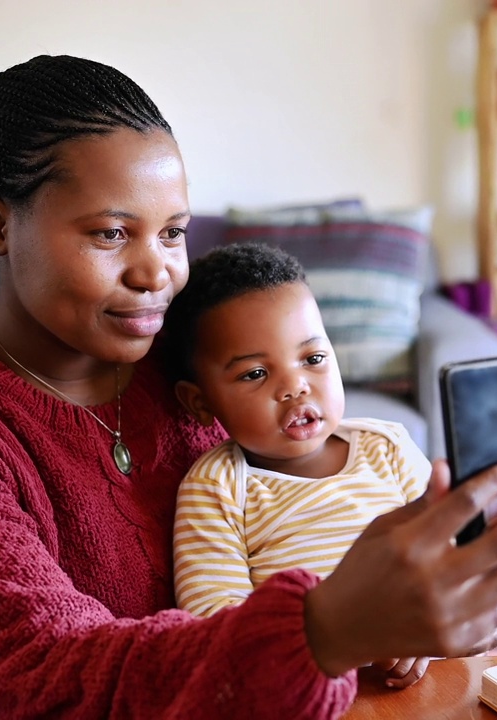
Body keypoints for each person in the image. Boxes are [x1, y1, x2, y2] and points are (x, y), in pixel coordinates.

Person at [0, 54, 497, 719]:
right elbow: (28, 685)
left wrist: (429, 608)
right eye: (112, 234)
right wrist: (327, 627)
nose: (158, 274)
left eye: (174, 232)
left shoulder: (190, 372)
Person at [165, 243, 433, 687]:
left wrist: (428, 630)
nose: (295, 387)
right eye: (255, 373)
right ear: (199, 402)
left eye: (313, 359)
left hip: (423, 682)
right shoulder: (217, 487)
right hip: (299, 695)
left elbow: (448, 558)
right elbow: (216, 627)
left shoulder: (388, 446)